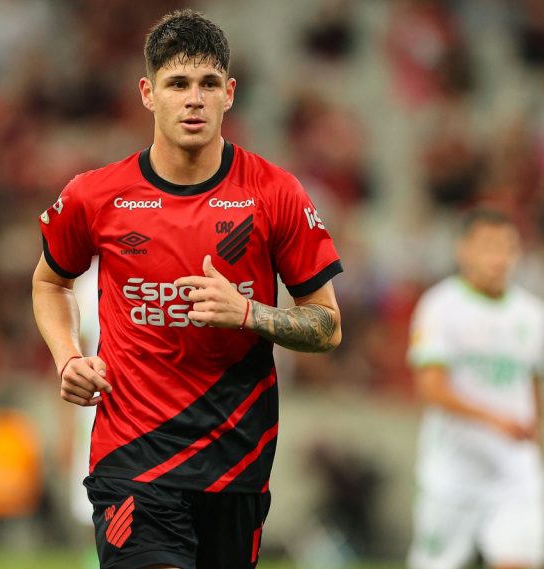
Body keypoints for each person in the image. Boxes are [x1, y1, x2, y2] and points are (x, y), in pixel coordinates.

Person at [32, 9, 343, 569]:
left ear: (230, 93)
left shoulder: (275, 194)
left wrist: (248, 313)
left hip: (236, 462)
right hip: (132, 458)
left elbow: (327, 326)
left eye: (208, 84)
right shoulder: (94, 196)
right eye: (177, 84)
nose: (193, 100)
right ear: (148, 94)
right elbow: (50, 283)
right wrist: (67, 357)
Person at [407, 208, 544, 569]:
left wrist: (536, 436)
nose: (499, 258)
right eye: (488, 246)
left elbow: (532, 384)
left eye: (507, 248)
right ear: (463, 250)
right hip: (453, 472)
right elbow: (431, 388)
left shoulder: (533, 315)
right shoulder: (440, 306)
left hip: (514, 472)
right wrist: (495, 420)